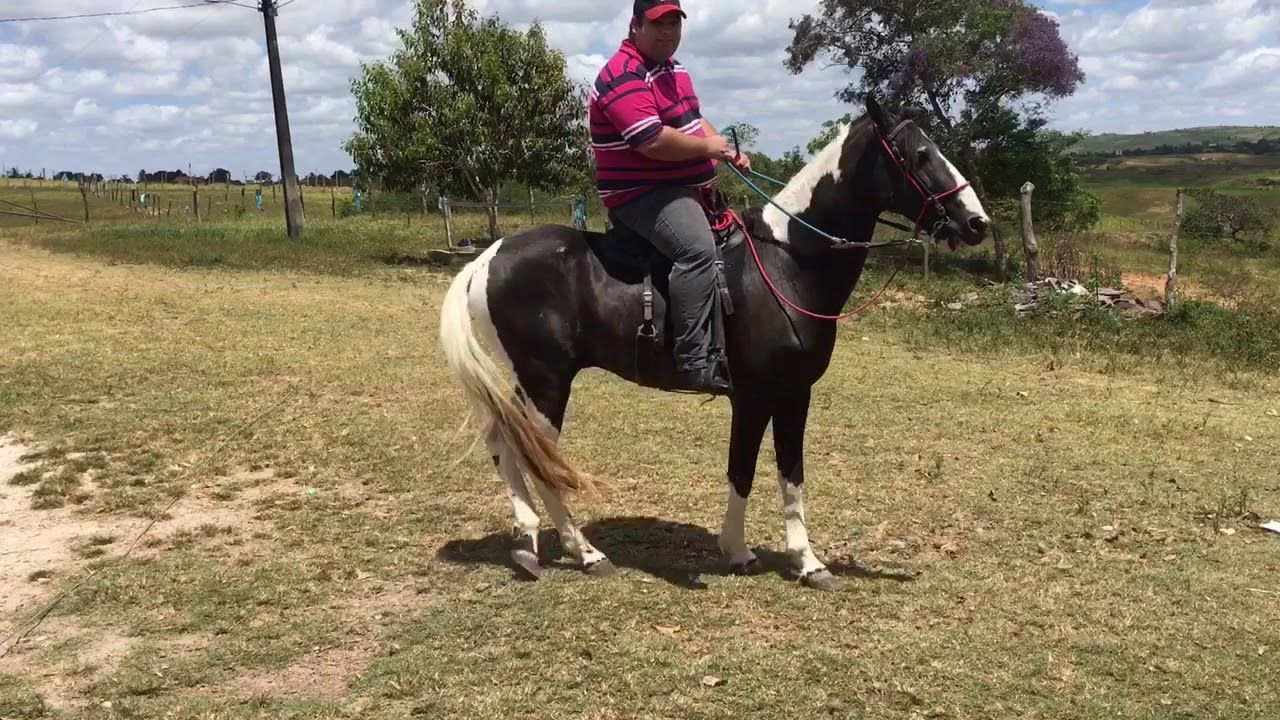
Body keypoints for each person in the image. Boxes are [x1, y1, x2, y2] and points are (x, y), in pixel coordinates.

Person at [589, 0, 749, 396]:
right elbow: (651, 141)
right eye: (659, 24)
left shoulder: (673, 70)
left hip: (682, 188)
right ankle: (693, 360)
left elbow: (693, 121)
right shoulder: (621, 74)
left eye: (675, 24)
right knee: (697, 248)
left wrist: (724, 147)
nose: (669, 33)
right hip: (642, 194)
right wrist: (708, 148)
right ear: (635, 25)